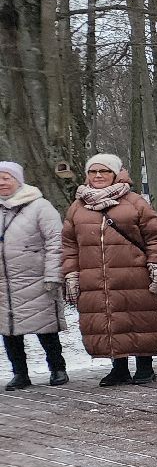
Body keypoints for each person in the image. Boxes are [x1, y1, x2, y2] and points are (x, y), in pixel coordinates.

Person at [61, 153, 157, 386]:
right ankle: (118, 367)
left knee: (140, 318)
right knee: (108, 319)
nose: (98, 176)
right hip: (95, 277)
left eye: (104, 171)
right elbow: (69, 245)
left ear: (116, 174)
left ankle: (144, 366)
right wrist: (71, 273)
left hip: (134, 273)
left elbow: (155, 237)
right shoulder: (77, 208)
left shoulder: (135, 202)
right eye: (93, 172)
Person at [0, 161, 67, 389]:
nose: (2, 182)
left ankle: (57, 368)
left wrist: (53, 275)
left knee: (45, 326)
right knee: (8, 330)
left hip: (35, 279)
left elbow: (55, 242)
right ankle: (20, 373)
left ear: (18, 180)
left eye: (6, 177)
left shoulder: (40, 207)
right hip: (3, 283)